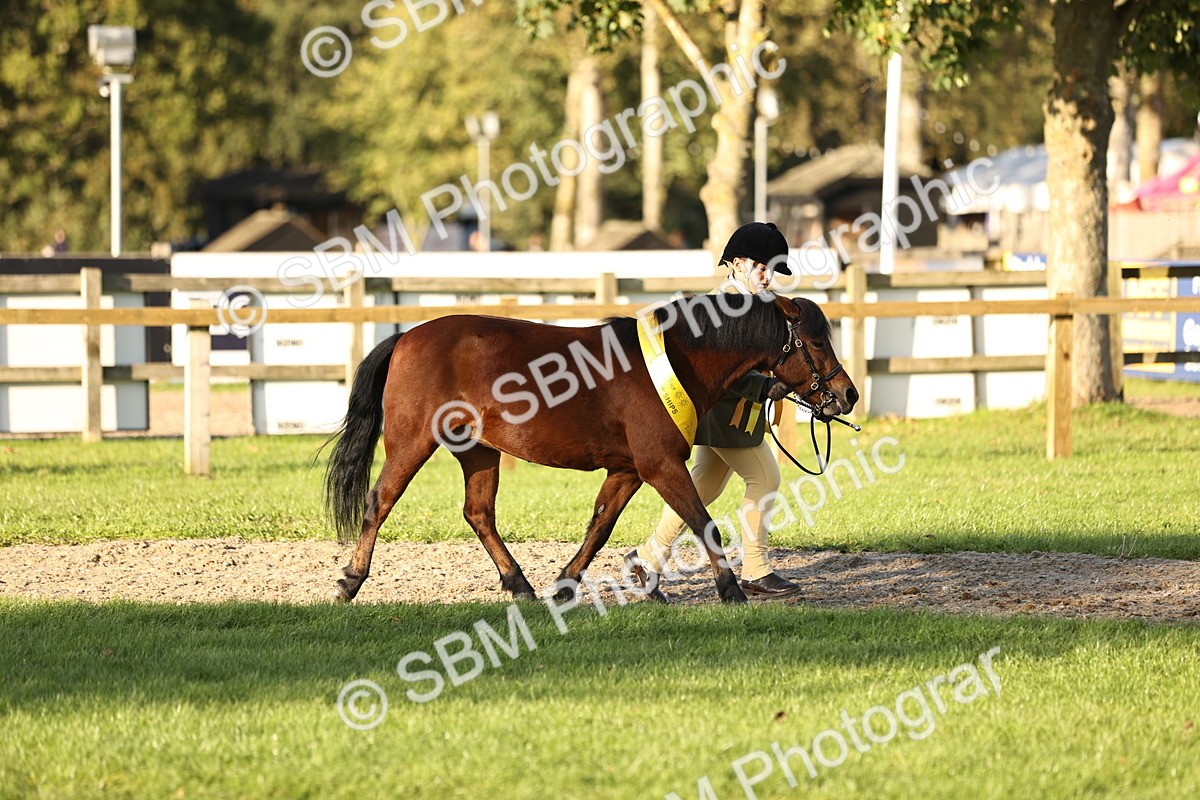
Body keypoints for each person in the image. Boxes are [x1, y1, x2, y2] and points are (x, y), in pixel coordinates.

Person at [627, 222, 801, 601]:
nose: (767, 277)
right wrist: (766, 387)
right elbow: (724, 372)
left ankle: (647, 558)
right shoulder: (722, 307)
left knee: (704, 484)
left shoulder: (753, 304)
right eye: (761, 267)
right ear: (737, 263)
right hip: (722, 416)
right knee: (766, 478)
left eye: (773, 270)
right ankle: (756, 567)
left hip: (735, 416)